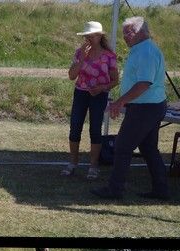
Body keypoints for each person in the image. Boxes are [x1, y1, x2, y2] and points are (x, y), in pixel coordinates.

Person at [91, 16, 168, 200]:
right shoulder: (141, 49)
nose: (125, 36)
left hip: (146, 107)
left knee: (123, 146)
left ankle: (115, 189)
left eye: (129, 32)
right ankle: (161, 190)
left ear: (141, 32)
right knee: (149, 149)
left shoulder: (146, 52)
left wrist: (120, 102)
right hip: (148, 106)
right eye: (124, 32)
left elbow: (144, 83)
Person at [61, 21, 118, 180]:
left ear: (99, 36)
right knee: (75, 126)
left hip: (99, 95)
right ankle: (73, 163)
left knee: (95, 130)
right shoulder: (80, 53)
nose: (88, 39)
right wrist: (81, 60)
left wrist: (101, 88)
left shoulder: (109, 56)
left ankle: (93, 166)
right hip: (81, 93)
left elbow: (115, 80)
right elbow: (72, 76)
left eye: (92, 36)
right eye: (87, 36)